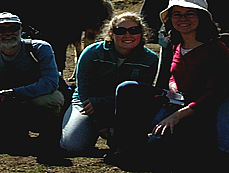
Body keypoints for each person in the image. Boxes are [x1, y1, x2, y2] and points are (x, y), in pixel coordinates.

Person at [109, 0, 229, 170]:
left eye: (189, 14)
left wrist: (176, 116)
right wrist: (173, 88)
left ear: (201, 18)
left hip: (201, 110)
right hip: (177, 100)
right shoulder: (177, 44)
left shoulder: (216, 49)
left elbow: (217, 94)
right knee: (128, 88)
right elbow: (173, 75)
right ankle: (124, 146)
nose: (182, 19)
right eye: (177, 14)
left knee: (157, 148)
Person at [0, 12, 65, 153]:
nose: (8, 33)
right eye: (1, 29)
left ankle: (47, 131)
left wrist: (14, 93)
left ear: (21, 30)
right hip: (4, 96)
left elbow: (50, 83)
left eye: (13, 28)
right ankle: (8, 127)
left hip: (35, 95)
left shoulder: (39, 48)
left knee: (49, 100)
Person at [59, 12, 158, 153]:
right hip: (87, 103)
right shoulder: (92, 53)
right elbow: (83, 89)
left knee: (127, 143)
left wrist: (101, 103)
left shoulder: (150, 59)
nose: (127, 35)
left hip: (124, 106)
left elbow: (138, 95)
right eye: (120, 31)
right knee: (73, 145)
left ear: (141, 33)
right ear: (111, 33)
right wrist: (99, 122)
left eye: (134, 30)